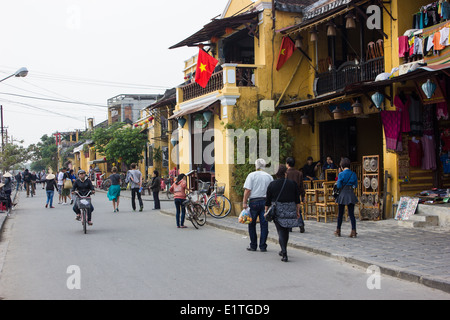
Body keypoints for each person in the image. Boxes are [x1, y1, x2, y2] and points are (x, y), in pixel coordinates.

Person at [265, 165, 301, 262]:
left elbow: (268, 200)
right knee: (286, 229)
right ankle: (283, 249)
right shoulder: (292, 183)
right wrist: (298, 211)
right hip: (291, 209)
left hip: (278, 210)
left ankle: (284, 252)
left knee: (280, 230)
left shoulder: (272, 184)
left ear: (276, 174)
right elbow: (297, 199)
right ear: (285, 173)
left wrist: (266, 211)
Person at [242, 159, 274, 252]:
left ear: (256, 166)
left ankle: (253, 245)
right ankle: (263, 246)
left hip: (254, 202)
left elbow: (247, 190)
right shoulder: (269, 176)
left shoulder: (251, 175)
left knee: (251, 224)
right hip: (265, 202)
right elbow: (271, 191)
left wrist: (244, 202)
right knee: (264, 224)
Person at [334, 157, 359, 238]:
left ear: (342, 166)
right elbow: (355, 185)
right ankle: (354, 231)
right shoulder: (353, 174)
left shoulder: (341, 174)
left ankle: (338, 230)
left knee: (340, 214)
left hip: (342, 195)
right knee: (351, 214)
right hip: (351, 194)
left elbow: (339, 185)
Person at [285, 157, 305, 233]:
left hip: (287, 194)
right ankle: (301, 224)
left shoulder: (286, 173)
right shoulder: (299, 173)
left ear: (287, 164)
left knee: (288, 210)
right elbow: (301, 186)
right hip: (296, 194)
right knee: (297, 210)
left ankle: (290, 227)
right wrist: (303, 195)